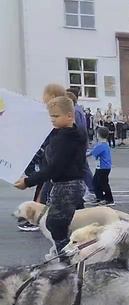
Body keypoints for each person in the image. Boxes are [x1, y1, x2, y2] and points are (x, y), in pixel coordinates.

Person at [14, 96, 87, 256]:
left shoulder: (65, 139)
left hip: (66, 185)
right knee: (64, 222)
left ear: (69, 115)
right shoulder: (71, 133)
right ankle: (67, 252)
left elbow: (54, 168)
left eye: (55, 116)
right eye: (51, 117)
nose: (52, 120)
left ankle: (67, 257)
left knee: (55, 224)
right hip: (69, 184)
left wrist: (28, 181)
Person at [16, 84, 68, 232]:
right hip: (50, 160)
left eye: (44, 96)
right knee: (45, 188)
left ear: (52, 97)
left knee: (46, 189)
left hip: (54, 162)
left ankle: (37, 220)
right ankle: (35, 217)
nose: (42, 99)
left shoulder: (58, 116)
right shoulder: (55, 114)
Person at [88, 127, 114, 206]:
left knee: (104, 183)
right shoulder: (102, 144)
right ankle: (100, 197)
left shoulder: (101, 145)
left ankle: (109, 199)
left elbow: (92, 153)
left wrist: (81, 155)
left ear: (98, 135)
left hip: (104, 168)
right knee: (95, 182)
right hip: (100, 167)